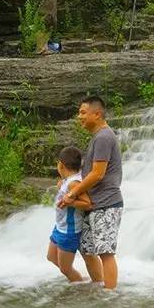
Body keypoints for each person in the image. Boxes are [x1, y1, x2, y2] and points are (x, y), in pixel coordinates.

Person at [58, 96, 124, 290]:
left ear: (97, 114)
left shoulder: (104, 136)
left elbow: (97, 173)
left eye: (83, 112)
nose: (79, 117)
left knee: (105, 252)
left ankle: (110, 296)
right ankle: (98, 288)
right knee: (87, 250)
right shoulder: (98, 137)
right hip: (94, 205)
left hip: (107, 204)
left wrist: (72, 193)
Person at [47, 146, 92, 283]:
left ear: (61, 164)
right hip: (60, 227)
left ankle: (80, 287)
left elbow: (87, 203)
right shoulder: (69, 181)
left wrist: (69, 203)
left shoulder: (74, 183)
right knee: (51, 257)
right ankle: (80, 279)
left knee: (65, 269)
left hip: (69, 231)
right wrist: (62, 185)